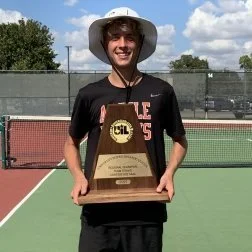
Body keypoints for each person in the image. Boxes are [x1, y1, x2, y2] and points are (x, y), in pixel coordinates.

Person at [64, 6, 188, 252]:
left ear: (140, 43)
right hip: (98, 215)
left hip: (146, 214)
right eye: (115, 37)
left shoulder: (162, 91)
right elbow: (71, 143)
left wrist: (169, 173)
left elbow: (180, 140)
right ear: (104, 43)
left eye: (130, 37)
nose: (123, 44)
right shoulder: (89, 95)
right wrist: (78, 176)